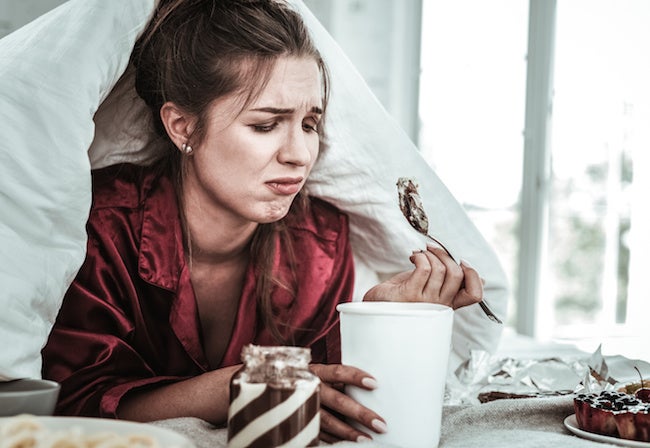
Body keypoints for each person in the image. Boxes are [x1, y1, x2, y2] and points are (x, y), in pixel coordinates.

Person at [41, 0, 484, 443]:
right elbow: (68, 402)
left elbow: (331, 395)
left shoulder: (321, 243)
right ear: (182, 127)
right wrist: (232, 387)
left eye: (310, 124)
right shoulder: (99, 225)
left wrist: (380, 322)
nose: (298, 154)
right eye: (266, 125)